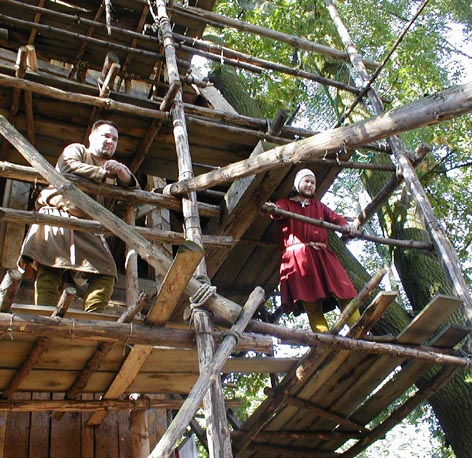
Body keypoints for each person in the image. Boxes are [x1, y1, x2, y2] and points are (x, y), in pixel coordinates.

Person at [19, 120, 138, 312]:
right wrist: (103, 173)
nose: (110, 141)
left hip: (87, 226)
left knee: (106, 270)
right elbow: (68, 166)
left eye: (115, 139)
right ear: (92, 137)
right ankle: (44, 316)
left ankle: (93, 315)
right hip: (58, 216)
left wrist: (124, 174)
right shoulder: (78, 150)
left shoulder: (113, 169)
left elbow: (133, 191)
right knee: (51, 267)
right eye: (106, 136)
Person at [270, 168, 359, 332]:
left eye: (313, 182)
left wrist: (346, 226)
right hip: (298, 258)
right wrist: (272, 209)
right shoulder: (286, 203)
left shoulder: (319, 206)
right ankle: (324, 338)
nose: (310, 185)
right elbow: (276, 211)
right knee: (311, 301)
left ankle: (359, 330)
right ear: (298, 184)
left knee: (345, 291)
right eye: (306, 181)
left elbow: (335, 218)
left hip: (322, 255)